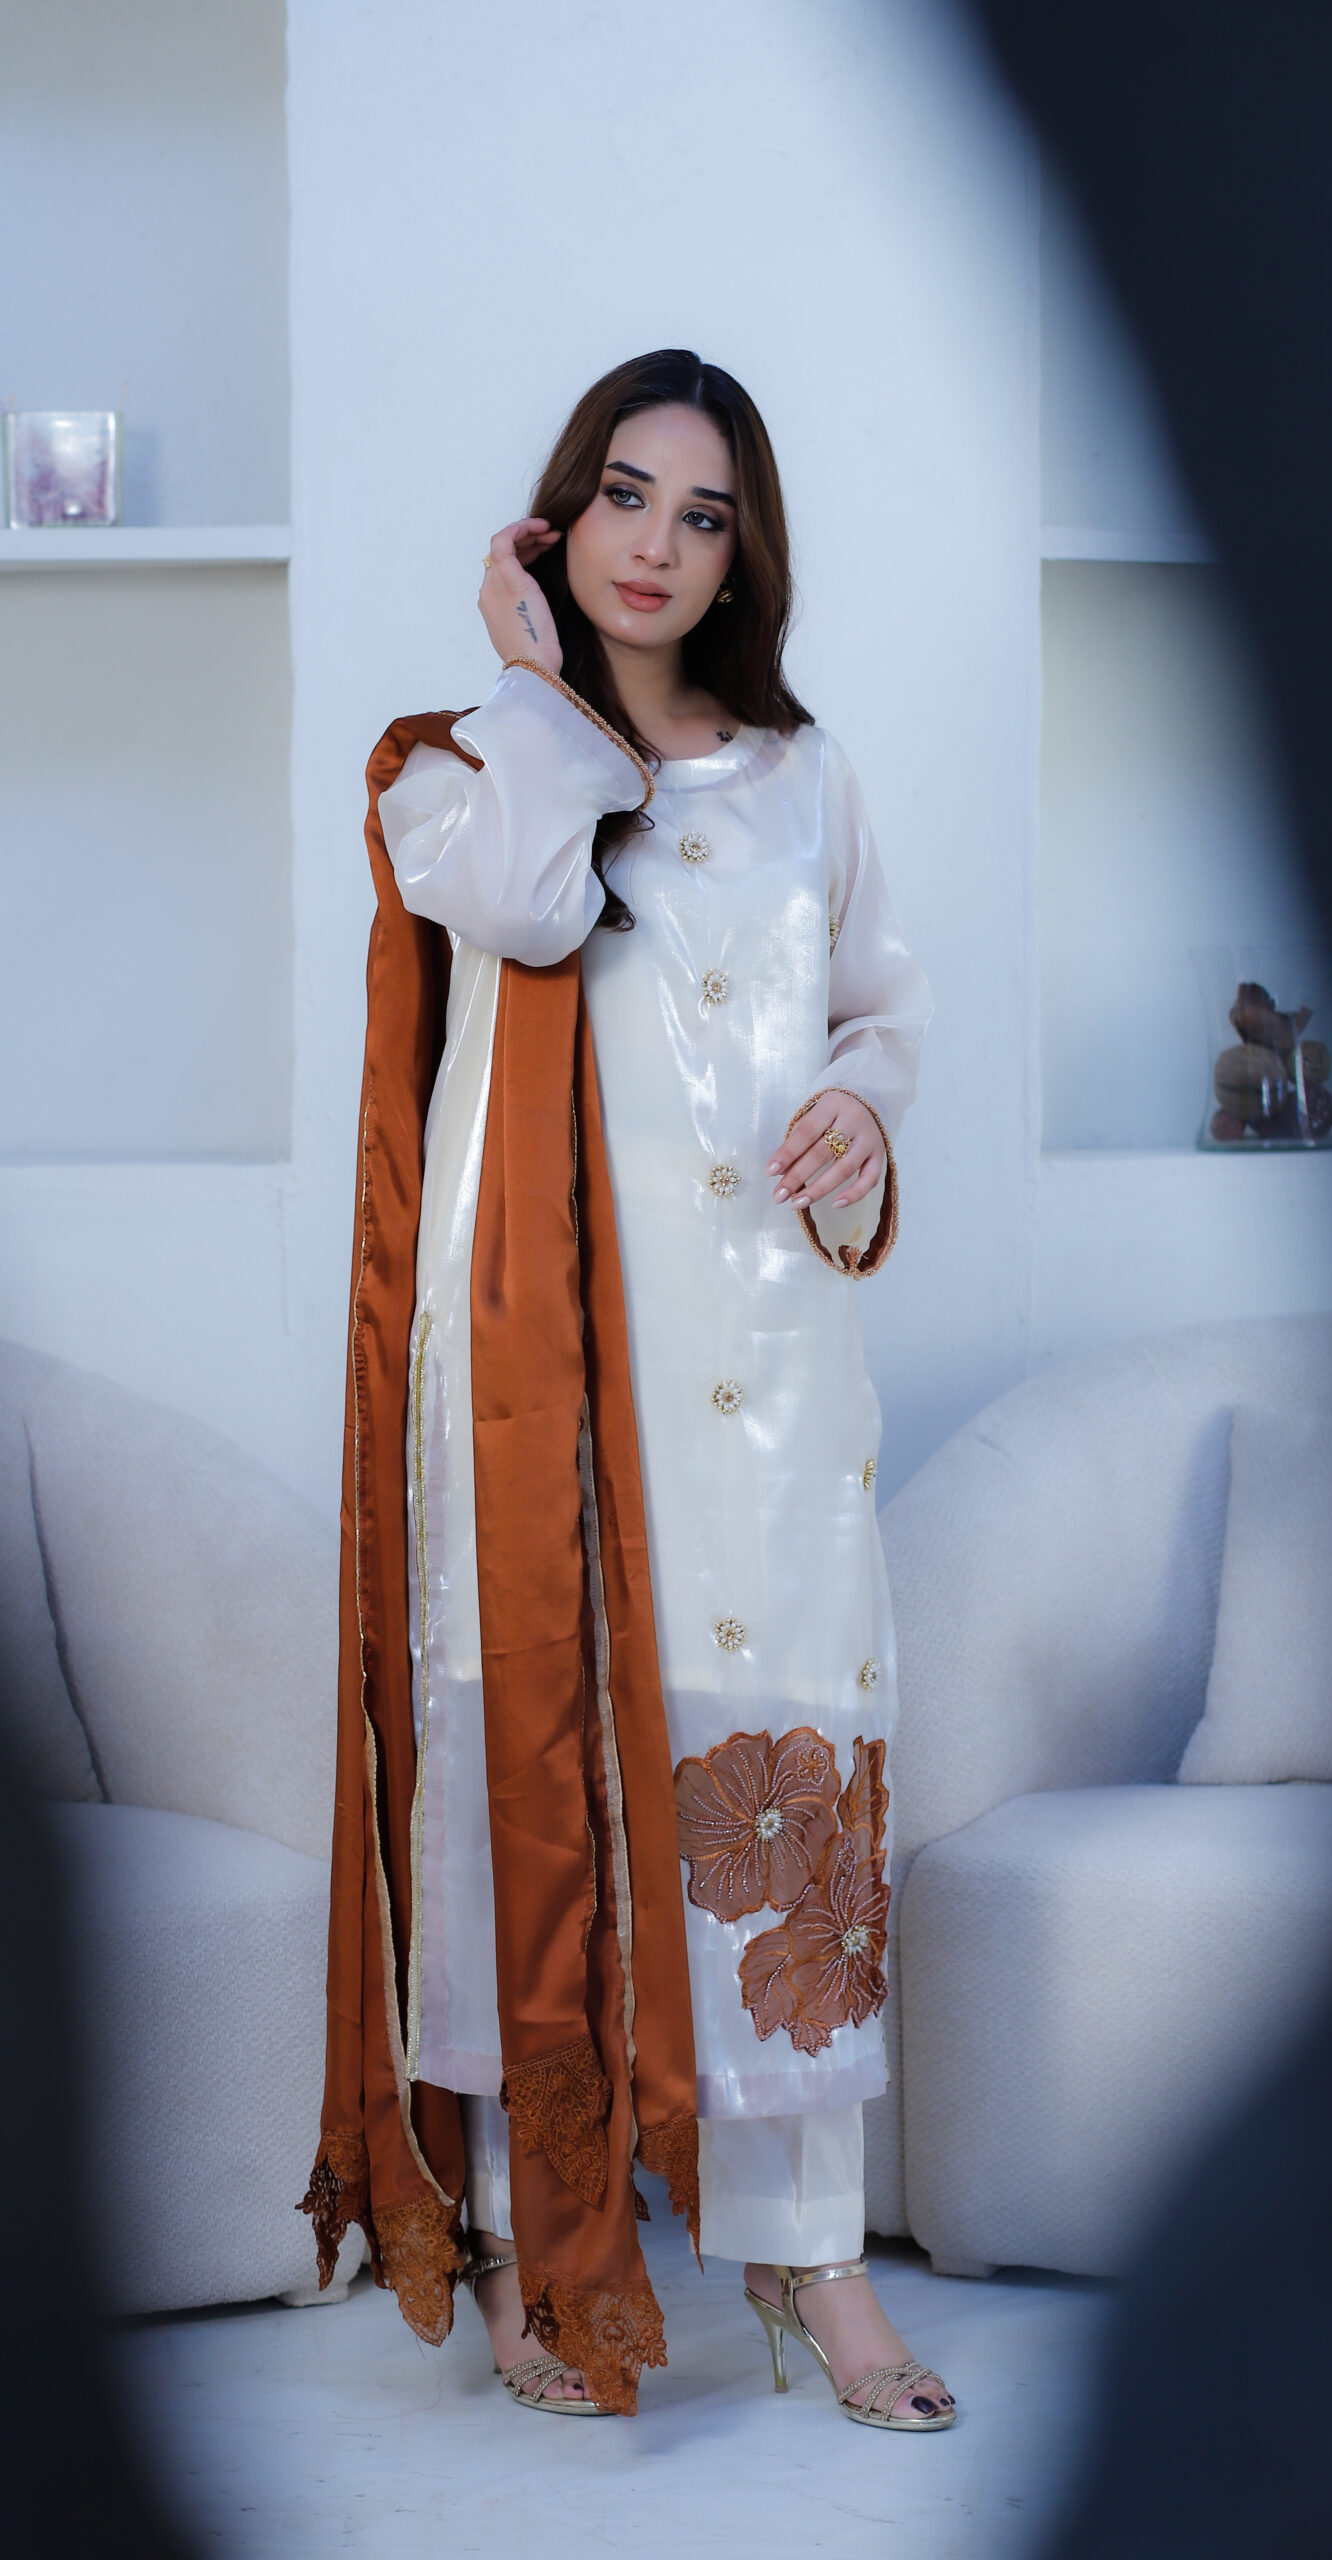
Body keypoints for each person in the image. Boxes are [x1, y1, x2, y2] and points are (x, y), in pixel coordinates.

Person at [303, 348, 950, 2430]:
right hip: (545, 1390)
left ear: (744, 553)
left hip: (765, 1364)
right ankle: (524, 2226)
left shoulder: (804, 774)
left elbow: (878, 1005)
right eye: (625, 497)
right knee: (538, 1783)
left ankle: (813, 2259)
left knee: (778, 1792)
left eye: (705, 513)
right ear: (557, 517)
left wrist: (863, 1104)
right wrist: (535, 686)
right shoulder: (457, 772)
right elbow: (524, 903)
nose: (660, 545)